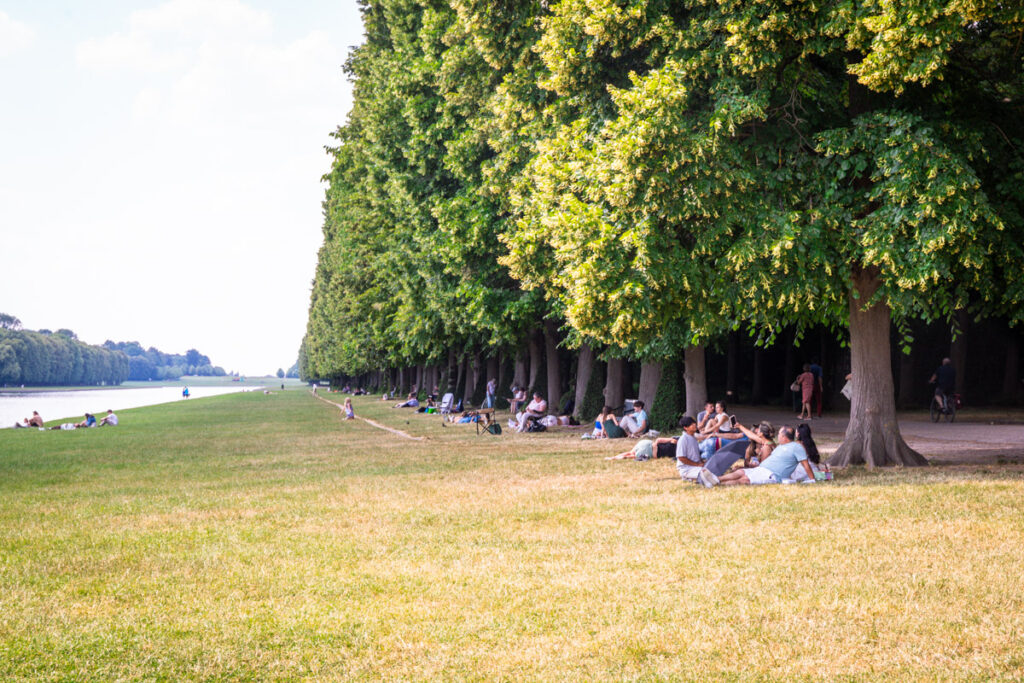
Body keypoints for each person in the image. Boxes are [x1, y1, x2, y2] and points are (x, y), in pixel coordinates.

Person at [706, 425, 815, 486]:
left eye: (780, 434)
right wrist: (739, 425)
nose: (778, 436)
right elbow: (753, 436)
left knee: (745, 479)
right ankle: (716, 478)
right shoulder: (781, 446)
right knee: (741, 472)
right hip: (762, 469)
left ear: (785, 437)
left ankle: (717, 483)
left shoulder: (796, 447)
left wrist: (812, 479)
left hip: (772, 475)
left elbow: (806, 465)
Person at [701, 421, 776, 480]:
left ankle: (716, 479)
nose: (756, 433)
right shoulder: (766, 442)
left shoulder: (766, 446)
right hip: (760, 470)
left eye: (758, 431)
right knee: (739, 471)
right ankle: (716, 479)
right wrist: (739, 426)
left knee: (740, 473)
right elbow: (750, 435)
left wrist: (751, 466)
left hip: (764, 474)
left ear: (762, 434)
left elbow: (763, 468)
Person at [674, 416, 704, 481]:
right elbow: (681, 457)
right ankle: (687, 477)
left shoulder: (693, 437)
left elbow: (695, 455)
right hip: (686, 469)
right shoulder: (683, 439)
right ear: (685, 428)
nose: (694, 425)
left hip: (695, 467)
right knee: (706, 473)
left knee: (711, 469)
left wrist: (702, 462)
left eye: (694, 423)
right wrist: (697, 464)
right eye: (691, 424)